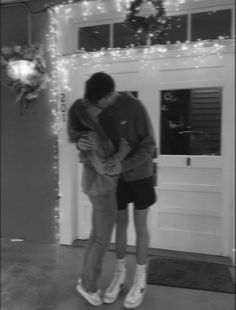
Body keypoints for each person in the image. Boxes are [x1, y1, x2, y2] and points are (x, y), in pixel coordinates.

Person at [76, 72, 157, 309]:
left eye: (99, 101)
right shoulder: (100, 112)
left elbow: (149, 145)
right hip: (115, 181)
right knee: (119, 227)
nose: (97, 106)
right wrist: (81, 144)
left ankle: (140, 280)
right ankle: (120, 275)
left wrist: (125, 164)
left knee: (140, 227)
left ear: (110, 94)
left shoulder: (135, 107)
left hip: (141, 176)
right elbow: (92, 143)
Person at [68, 75, 131, 306]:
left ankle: (85, 279)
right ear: (99, 100)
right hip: (102, 189)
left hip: (98, 188)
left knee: (96, 237)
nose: (112, 101)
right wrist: (123, 151)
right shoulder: (92, 132)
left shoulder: (92, 124)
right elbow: (104, 167)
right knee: (101, 240)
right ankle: (88, 286)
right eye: (109, 96)